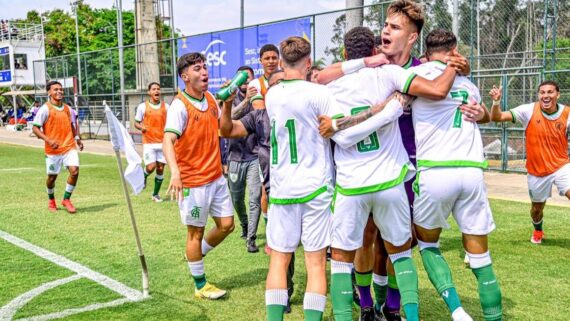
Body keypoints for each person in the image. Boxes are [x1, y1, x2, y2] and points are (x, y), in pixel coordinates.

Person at [317, 2, 477, 319]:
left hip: (404, 167)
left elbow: (442, 87)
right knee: (366, 239)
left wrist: (457, 66)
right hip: (364, 169)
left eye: (395, 27)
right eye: (385, 26)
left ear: (413, 37)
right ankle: (366, 305)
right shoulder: (369, 68)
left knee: (396, 245)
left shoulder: (420, 68)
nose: (386, 31)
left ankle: (390, 307)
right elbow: (323, 75)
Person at [410, 29, 500, 321]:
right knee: (480, 257)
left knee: (427, 243)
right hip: (472, 170)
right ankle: (494, 317)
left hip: (435, 170)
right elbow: (484, 114)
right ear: (455, 49)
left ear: (426, 51)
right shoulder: (467, 83)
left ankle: (457, 310)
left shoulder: (418, 74)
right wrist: (481, 113)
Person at [263, 36, 337, 321]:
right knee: (316, 264)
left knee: (279, 261)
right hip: (315, 187)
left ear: (280, 62)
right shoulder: (320, 94)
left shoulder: (272, 95)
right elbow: (336, 129)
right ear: (309, 63)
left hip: (282, 189)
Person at [163, 52, 235, 300]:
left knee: (227, 225)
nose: (204, 72)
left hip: (216, 178)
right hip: (193, 183)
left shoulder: (212, 98)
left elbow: (224, 129)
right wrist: (175, 172)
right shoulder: (179, 106)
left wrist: (229, 102)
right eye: (197, 69)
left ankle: (195, 254)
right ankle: (200, 285)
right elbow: (168, 140)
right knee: (194, 233)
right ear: (185, 76)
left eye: (205, 67)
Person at [489, 80, 570, 244]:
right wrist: (496, 101)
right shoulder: (528, 110)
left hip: (561, 166)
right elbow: (496, 117)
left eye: (550, 92)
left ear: (557, 95)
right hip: (536, 171)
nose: (546, 95)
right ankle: (538, 230)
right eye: (542, 92)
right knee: (536, 209)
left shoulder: (567, 113)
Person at [32, 81, 84, 214]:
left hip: (68, 147)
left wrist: (77, 139)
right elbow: (35, 128)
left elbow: (72, 125)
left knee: (75, 171)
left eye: (61, 89)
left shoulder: (68, 109)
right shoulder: (45, 109)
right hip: (53, 151)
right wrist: (48, 140)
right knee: (51, 178)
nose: (59, 92)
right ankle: (51, 199)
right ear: (49, 92)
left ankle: (66, 199)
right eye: (56, 90)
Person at [226, 65, 263, 253]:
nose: (246, 81)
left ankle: (251, 238)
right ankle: (245, 224)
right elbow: (229, 118)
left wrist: (253, 99)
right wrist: (245, 101)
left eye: (249, 78)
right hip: (235, 157)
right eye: (242, 78)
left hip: (254, 156)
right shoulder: (230, 99)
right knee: (237, 199)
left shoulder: (260, 99)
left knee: (254, 198)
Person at [134, 82, 169, 202]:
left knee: (160, 168)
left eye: (158, 89)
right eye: (154, 89)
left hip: (163, 143)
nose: (157, 91)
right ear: (149, 92)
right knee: (151, 166)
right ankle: (143, 176)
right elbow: (136, 123)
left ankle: (155, 194)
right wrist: (141, 127)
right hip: (149, 142)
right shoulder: (142, 107)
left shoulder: (166, 107)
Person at [248, 44, 280, 110]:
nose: (271, 61)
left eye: (274, 58)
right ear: (260, 61)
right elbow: (260, 113)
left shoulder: (288, 80)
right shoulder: (255, 84)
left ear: (279, 59)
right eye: (267, 58)